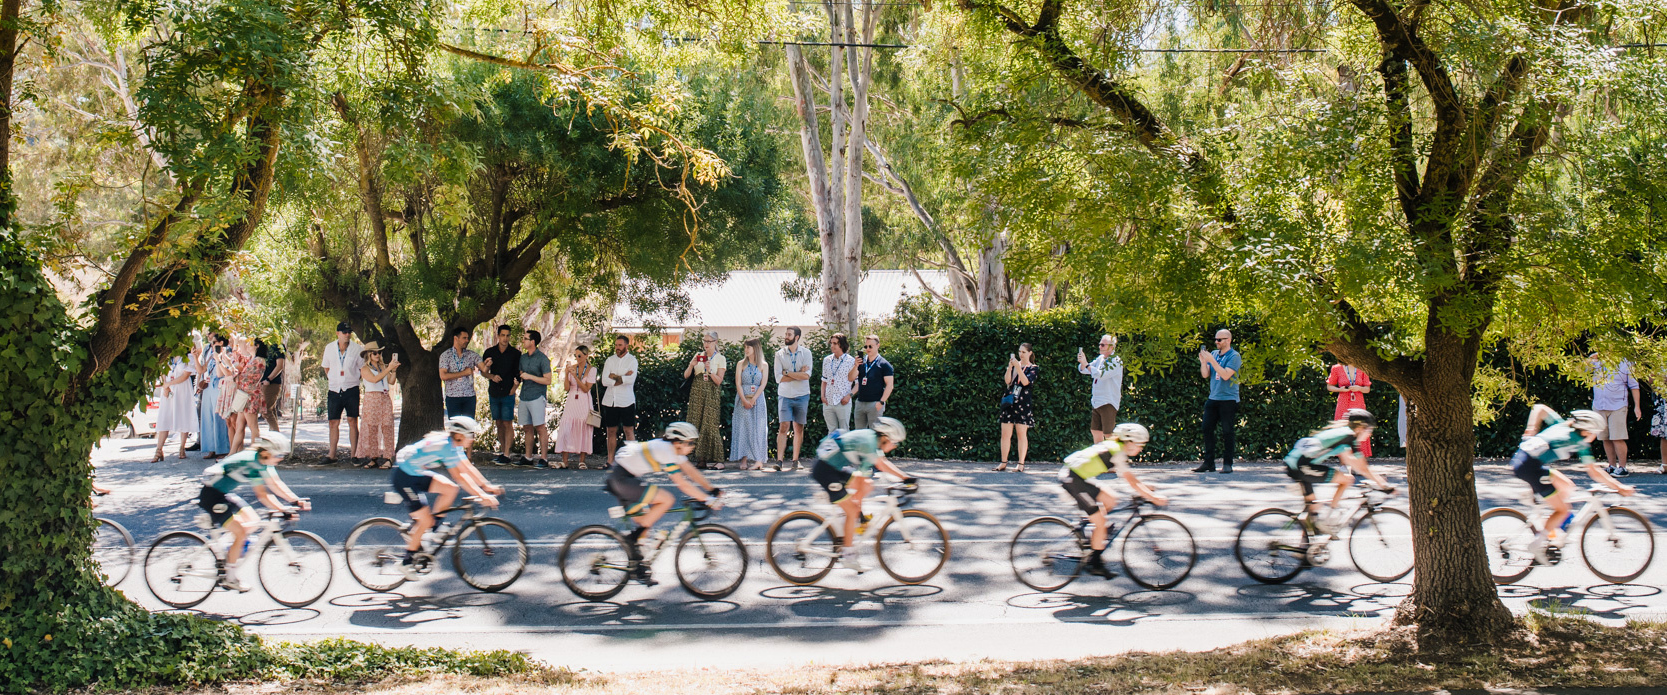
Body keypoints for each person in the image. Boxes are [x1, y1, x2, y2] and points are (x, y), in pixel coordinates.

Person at [1515, 405, 1635, 563]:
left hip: (1526, 460)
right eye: (1595, 433)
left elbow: (1540, 408)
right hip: (1530, 468)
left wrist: (1531, 429)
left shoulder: (1562, 424)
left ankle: (1552, 525)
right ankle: (1537, 543)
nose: (1595, 437)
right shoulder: (1579, 441)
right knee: (1563, 510)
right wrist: (1619, 488)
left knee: (1567, 485)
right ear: (1586, 431)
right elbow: (1593, 471)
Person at [606, 422, 724, 582]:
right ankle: (631, 540)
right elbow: (682, 484)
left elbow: (690, 471)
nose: (693, 446)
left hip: (624, 477)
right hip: (622, 479)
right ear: (678, 442)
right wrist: (709, 500)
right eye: (690, 443)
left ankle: (638, 567)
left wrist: (711, 489)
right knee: (667, 499)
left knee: (645, 522)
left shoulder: (672, 449)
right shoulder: (666, 451)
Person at [391, 416, 502, 579]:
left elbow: (467, 467)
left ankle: (432, 529)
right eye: (471, 435)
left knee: (450, 489)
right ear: (460, 435)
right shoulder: (446, 447)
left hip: (415, 471)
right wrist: (482, 496)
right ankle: (406, 562)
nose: (473, 439)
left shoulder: (454, 444)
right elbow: (460, 476)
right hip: (404, 476)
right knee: (425, 520)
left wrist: (486, 486)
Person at [197, 433, 309, 591]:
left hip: (223, 493)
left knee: (253, 520)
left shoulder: (262, 460)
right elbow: (263, 495)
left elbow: (276, 483)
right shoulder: (252, 463)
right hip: (212, 497)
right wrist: (283, 509)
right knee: (241, 533)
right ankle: (230, 578)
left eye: (283, 455)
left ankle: (228, 551)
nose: (281, 458)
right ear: (266, 453)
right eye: (279, 455)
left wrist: (295, 501)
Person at [1058, 423, 1168, 578]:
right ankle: (1095, 563)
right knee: (1101, 523)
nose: (1141, 449)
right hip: (1073, 479)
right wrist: (1154, 498)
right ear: (1129, 443)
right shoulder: (1117, 452)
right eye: (1140, 445)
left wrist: (1145, 488)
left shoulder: (1115, 446)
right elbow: (1131, 481)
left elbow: (1132, 480)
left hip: (1077, 476)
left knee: (1111, 499)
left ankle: (1090, 527)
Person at [809, 417, 915, 572]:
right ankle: (848, 555)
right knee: (852, 510)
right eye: (895, 443)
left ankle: (848, 525)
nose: (895, 447)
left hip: (833, 467)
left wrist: (905, 478)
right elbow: (865, 477)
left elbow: (881, 464)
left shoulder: (872, 440)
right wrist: (858, 511)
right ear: (886, 438)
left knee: (867, 486)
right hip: (827, 471)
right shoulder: (869, 445)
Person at [1283, 409, 1396, 534]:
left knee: (1313, 507)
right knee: (1347, 480)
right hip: (1302, 465)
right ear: (1360, 428)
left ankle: (1304, 549)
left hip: (1293, 462)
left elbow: (1350, 460)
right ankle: (1329, 519)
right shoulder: (1350, 437)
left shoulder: (1342, 434)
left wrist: (1374, 478)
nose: (1370, 433)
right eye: (1369, 429)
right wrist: (1383, 485)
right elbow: (1362, 468)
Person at [1195, 329, 1241, 474]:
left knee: (1227, 431)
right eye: (1215, 339)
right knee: (1206, 428)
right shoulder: (1214, 354)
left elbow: (1226, 375)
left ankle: (1228, 463)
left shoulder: (1234, 356)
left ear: (1228, 340)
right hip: (1213, 397)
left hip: (1228, 399)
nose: (1216, 342)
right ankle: (1209, 463)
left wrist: (1212, 361)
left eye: (1219, 340)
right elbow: (1205, 375)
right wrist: (1204, 362)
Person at [1588, 354, 1641, 477]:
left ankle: (1622, 467)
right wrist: (1590, 359)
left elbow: (1634, 386)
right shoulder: (1596, 361)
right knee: (1605, 437)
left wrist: (1637, 406)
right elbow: (1580, 371)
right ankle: (1611, 466)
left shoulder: (1626, 362)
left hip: (1618, 405)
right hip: (1599, 405)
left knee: (1617, 437)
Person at [682, 331, 727, 468]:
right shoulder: (698, 356)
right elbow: (686, 376)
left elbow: (719, 381)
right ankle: (700, 459)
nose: (706, 344)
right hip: (697, 391)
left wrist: (710, 370)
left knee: (710, 424)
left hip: (711, 392)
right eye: (705, 341)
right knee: (695, 422)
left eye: (709, 341)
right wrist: (691, 364)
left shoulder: (720, 358)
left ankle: (718, 459)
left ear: (715, 342)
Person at [322, 322, 364, 464]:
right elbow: (326, 367)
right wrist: (333, 379)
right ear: (337, 333)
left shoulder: (357, 349)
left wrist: (351, 379)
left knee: (352, 420)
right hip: (334, 388)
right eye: (344, 332)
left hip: (351, 388)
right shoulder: (329, 348)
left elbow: (361, 369)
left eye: (349, 332)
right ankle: (332, 454)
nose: (347, 335)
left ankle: (354, 455)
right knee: (333, 421)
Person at [481, 325, 522, 465]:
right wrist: (492, 376)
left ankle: (507, 453)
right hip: (494, 391)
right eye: (503, 335)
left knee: (507, 422)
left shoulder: (515, 354)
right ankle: (503, 451)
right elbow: (483, 371)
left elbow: (519, 373)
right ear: (498, 335)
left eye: (508, 335)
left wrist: (514, 388)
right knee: (498, 422)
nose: (505, 338)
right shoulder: (489, 352)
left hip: (508, 392)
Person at [774, 327, 814, 471]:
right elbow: (779, 378)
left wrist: (788, 373)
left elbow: (807, 376)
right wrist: (797, 373)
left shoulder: (806, 353)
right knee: (783, 426)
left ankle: (795, 460)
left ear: (796, 337)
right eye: (786, 334)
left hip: (802, 395)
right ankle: (779, 460)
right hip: (785, 395)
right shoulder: (779, 354)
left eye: (789, 334)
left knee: (799, 427)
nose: (786, 336)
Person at [995, 343, 1039, 472]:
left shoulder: (1033, 368)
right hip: (1010, 401)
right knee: (1005, 434)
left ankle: (1021, 464)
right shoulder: (1014, 366)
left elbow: (1026, 382)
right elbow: (1008, 381)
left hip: (1023, 402)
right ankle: (1003, 462)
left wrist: (1018, 367)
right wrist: (1010, 368)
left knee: (1021, 434)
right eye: (1019, 352)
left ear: (1030, 353)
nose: (1021, 354)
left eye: (1024, 352)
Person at [551, 344, 595, 469]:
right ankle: (565, 460)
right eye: (575, 355)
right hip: (572, 400)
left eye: (580, 355)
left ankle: (582, 460)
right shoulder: (572, 368)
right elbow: (566, 388)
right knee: (566, 428)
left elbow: (586, 388)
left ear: (586, 356)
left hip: (583, 400)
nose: (577, 358)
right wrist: (566, 374)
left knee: (583, 427)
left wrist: (575, 376)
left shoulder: (591, 370)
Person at [356, 342, 399, 468]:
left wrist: (393, 370)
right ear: (369, 355)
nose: (377, 355)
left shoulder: (383, 367)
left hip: (384, 397)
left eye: (379, 352)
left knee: (387, 426)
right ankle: (373, 457)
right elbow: (374, 379)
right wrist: (388, 368)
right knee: (372, 428)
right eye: (374, 353)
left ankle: (388, 457)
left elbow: (391, 381)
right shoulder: (365, 369)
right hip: (371, 398)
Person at [730, 338, 770, 470]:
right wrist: (744, 399)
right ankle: (743, 459)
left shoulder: (764, 365)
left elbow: (763, 383)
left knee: (758, 428)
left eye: (749, 347)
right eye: (745, 347)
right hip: (743, 398)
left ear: (755, 348)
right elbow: (738, 383)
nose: (746, 350)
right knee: (743, 428)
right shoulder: (740, 364)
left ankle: (759, 459)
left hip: (757, 400)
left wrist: (753, 400)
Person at [222, 337, 266, 454]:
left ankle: (255, 454)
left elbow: (245, 377)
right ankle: (232, 453)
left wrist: (230, 367)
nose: (247, 346)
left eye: (250, 344)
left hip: (251, 395)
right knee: (239, 425)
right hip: (244, 395)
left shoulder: (259, 361)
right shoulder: (252, 359)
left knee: (253, 426)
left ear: (257, 346)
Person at [1077, 334, 1124, 444]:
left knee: (1108, 434)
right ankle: (1100, 458)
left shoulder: (1116, 361)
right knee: (1095, 431)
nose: (1100, 347)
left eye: (1103, 345)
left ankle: (1114, 457)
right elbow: (1085, 370)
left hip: (1108, 401)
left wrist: (1086, 364)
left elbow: (1101, 374)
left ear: (1111, 347)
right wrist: (1083, 363)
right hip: (1097, 401)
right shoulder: (1100, 359)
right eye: (1100, 344)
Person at [600, 336, 639, 467]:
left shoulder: (632, 361)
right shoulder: (610, 360)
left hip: (626, 400)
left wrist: (614, 377)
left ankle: (631, 462)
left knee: (629, 430)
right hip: (610, 401)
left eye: (620, 345)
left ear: (626, 346)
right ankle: (610, 460)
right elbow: (604, 381)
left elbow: (630, 380)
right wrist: (622, 378)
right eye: (616, 345)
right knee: (611, 431)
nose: (617, 347)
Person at [153, 352, 199, 462]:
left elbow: (185, 375)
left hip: (182, 389)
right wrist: (165, 385)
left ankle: (182, 447)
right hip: (168, 390)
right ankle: (158, 450)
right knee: (164, 417)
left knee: (183, 415)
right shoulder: (168, 356)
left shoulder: (188, 357)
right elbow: (163, 371)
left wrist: (169, 384)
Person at [519, 331, 555, 469]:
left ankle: (544, 458)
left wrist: (530, 377)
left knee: (540, 427)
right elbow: (522, 375)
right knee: (527, 427)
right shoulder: (523, 358)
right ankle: (528, 457)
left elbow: (548, 380)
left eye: (525, 339)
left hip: (537, 396)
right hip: (524, 396)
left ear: (532, 342)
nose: (523, 341)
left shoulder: (542, 359)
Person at [196, 334, 231, 459]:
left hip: (220, 385)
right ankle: (211, 447)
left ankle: (222, 448)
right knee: (208, 416)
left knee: (219, 418)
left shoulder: (227, 351)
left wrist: (219, 357)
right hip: (209, 385)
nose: (212, 344)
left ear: (221, 342)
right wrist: (196, 357)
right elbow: (201, 369)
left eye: (214, 342)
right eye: (211, 342)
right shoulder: (211, 353)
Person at [1327, 364, 1372, 458]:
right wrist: (1340, 389)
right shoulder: (1336, 368)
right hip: (1343, 402)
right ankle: (1343, 463)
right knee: (1342, 429)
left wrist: (1359, 388)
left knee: (1359, 429)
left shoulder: (1362, 367)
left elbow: (1367, 389)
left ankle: (1358, 460)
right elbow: (1329, 386)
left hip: (1358, 402)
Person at [438, 326, 482, 419]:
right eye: (464, 338)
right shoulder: (446, 355)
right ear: (456, 338)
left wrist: (487, 364)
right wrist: (464, 373)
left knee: (468, 429)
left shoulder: (471, 354)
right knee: (456, 429)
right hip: (453, 397)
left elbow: (484, 368)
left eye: (467, 338)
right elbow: (443, 375)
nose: (467, 340)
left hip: (469, 397)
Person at [853, 335, 895, 430]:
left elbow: (890, 385)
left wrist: (881, 402)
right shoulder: (861, 362)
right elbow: (850, 378)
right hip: (860, 402)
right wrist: (855, 366)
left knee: (875, 434)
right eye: (866, 346)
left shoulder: (884, 364)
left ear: (878, 346)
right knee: (859, 434)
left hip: (875, 403)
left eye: (870, 346)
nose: (868, 349)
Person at [820, 333, 858, 434]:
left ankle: (844, 450)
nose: (832, 346)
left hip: (843, 401)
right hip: (828, 401)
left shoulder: (851, 361)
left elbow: (858, 383)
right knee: (831, 431)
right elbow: (824, 380)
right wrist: (822, 396)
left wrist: (849, 396)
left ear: (842, 345)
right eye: (831, 343)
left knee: (844, 431)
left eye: (835, 343)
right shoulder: (827, 360)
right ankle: (833, 450)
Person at [258, 340, 287, 432]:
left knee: (266, 410)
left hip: (272, 383)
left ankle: (275, 434)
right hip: (262, 383)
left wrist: (269, 379)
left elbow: (279, 366)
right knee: (271, 409)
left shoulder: (278, 346)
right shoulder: (263, 345)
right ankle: (274, 433)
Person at [1650, 373, 1667, 475]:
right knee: (1664, 434)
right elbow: (1651, 381)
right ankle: (1665, 464)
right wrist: (1659, 378)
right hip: (1663, 401)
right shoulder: (1659, 361)